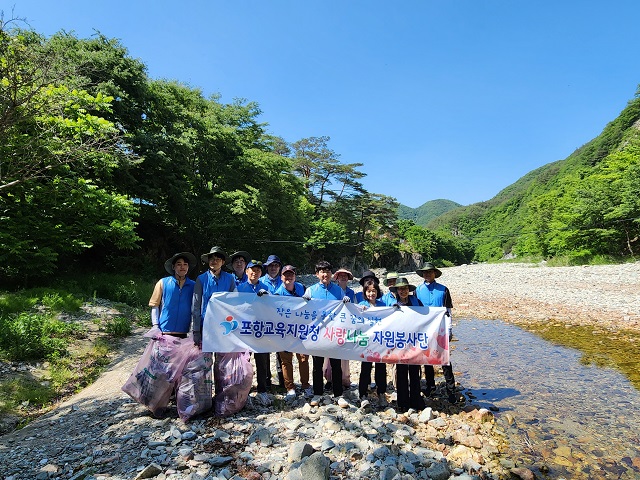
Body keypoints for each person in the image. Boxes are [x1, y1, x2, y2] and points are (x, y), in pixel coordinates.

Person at [302, 260, 350, 404]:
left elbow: (346, 310)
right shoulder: (310, 290)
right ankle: (317, 393)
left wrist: (347, 301)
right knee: (317, 364)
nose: (325, 274)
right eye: (322, 271)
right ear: (317, 274)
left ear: (331, 274)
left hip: (334, 333)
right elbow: (303, 311)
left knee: (336, 364)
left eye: (328, 271)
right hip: (317, 333)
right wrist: (304, 301)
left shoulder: (338, 290)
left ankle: (338, 394)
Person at [414, 262, 458, 404]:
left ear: (434, 273)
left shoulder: (444, 290)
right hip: (424, 330)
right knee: (426, 358)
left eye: (430, 272)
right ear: (423, 274)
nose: (427, 274)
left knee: (444, 360)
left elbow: (448, 311)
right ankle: (430, 385)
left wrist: (450, 329)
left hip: (441, 329)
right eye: (425, 272)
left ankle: (451, 389)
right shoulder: (417, 290)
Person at [237, 260, 273, 406]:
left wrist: (267, 297)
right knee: (244, 361)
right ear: (246, 272)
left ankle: (262, 391)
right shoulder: (239, 288)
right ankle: (243, 392)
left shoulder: (266, 287)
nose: (255, 272)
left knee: (262, 361)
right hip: (245, 330)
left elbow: (273, 308)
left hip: (261, 330)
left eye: (258, 270)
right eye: (252, 270)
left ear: (261, 273)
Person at [273, 265, 312, 399]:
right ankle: (290, 387)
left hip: (300, 330)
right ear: (281, 277)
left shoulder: (302, 288)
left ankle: (305, 385)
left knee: (303, 358)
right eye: (286, 275)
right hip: (284, 331)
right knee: (286, 360)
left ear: (295, 276)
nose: (288, 277)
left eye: (291, 274)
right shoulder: (278, 293)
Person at [388, 277, 425, 412]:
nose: (402, 291)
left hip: (414, 342)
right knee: (402, 372)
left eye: (405, 288)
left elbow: (425, 317)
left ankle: (416, 400)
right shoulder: (392, 304)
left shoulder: (416, 301)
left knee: (415, 372)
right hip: (399, 343)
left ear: (408, 290)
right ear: (396, 290)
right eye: (400, 289)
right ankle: (402, 402)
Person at [191, 246, 236, 347]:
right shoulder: (201, 279)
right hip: (205, 324)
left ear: (223, 262)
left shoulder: (230, 278)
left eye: (217, 259)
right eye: (211, 259)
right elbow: (196, 305)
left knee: (222, 360)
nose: (214, 261)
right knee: (204, 360)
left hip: (224, 324)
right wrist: (196, 330)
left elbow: (234, 302)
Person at [148, 252, 197, 338]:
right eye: (179, 264)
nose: (182, 267)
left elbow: (195, 308)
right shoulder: (163, 283)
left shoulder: (194, 285)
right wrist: (155, 325)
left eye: (185, 264)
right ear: (173, 267)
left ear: (188, 267)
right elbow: (155, 305)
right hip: (164, 331)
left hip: (183, 331)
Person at [357, 278, 388, 408]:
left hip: (380, 342)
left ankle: (381, 394)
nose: (371, 294)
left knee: (381, 368)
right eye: (368, 291)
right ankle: (363, 394)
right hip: (366, 343)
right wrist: (359, 310)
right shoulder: (361, 304)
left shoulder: (383, 305)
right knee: (365, 368)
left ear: (377, 291)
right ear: (365, 292)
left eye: (374, 291)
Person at [327, 268, 356, 391]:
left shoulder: (351, 293)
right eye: (341, 276)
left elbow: (355, 308)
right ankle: (329, 378)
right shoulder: (332, 290)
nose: (343, 278)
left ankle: (344, 379)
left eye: (345, 276)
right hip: (332, 325)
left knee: (344, 354)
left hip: (346, 326)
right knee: (328, 353)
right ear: (337, 278)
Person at [260, 254, 285, 387]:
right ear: (266, 267)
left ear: (280, 267)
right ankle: (266, 380)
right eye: (271, 265)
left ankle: (282, 381)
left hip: (281, 323)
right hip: (265, 321)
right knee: (264, 352)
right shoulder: (261, 281)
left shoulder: (285, 281)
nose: (273, 268)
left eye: (276, 265)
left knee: (281, 352)